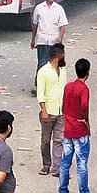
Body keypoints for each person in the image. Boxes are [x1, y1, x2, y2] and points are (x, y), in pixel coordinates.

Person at [59, 58, 91, 193]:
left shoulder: (68, 87)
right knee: (81, 164)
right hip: (80, 131)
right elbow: (84, 105)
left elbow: (64, 107)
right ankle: (83, 191)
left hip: (68, 130)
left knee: (65, 163)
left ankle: (63, 189)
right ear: (88, 73)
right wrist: (86, 120)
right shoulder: (84, 89)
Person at [31, 0, 68, 96]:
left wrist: (60, 39)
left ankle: (52, 87)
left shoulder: (59, 9)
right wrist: (33, 39)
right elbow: (35, 24)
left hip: (54, 41)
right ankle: (39, 87)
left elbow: (62, 26)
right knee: (41, 64)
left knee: (53, 65)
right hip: (42, 40)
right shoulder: (39, 8)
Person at [37, 43, 67, 177]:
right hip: (48, 112)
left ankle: (57, 168)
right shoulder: (43, 71)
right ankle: (46, 165)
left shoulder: (63, 71)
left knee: (59, 140)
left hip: (61, 112)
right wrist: (43, 110)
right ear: (58, 55)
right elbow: (40, 93)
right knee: (45, 140)